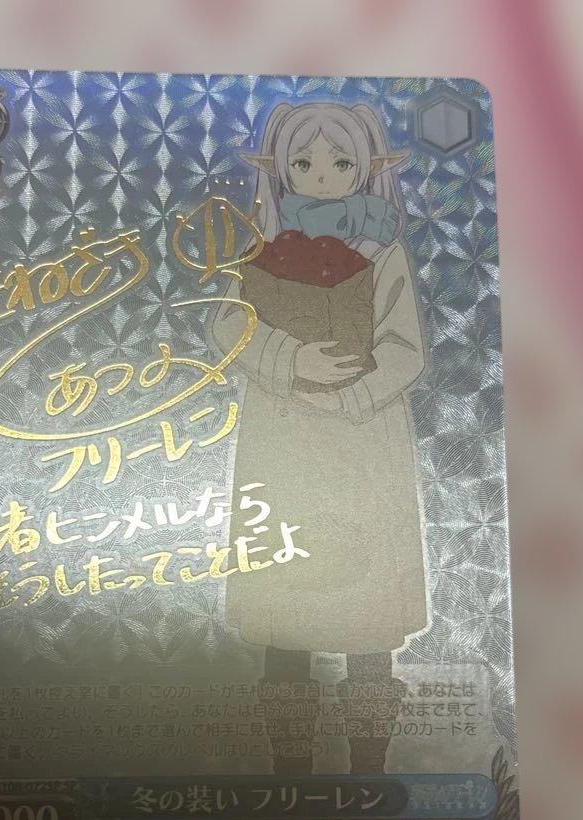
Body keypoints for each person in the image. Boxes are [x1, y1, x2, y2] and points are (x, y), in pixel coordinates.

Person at [209, 101, 430, 775]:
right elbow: (225, 326)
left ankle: (369, 770)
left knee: (370, 620)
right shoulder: (257, 252)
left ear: (366, 169)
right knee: (286, 613)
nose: (322, 175)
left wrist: (354, 397)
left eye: (340, 162)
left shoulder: (385, 253)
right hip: (283, 441)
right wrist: (290, 361)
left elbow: (407, 350)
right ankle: (290, 772)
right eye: (303, 162)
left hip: (365, 442)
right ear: (280, 171)